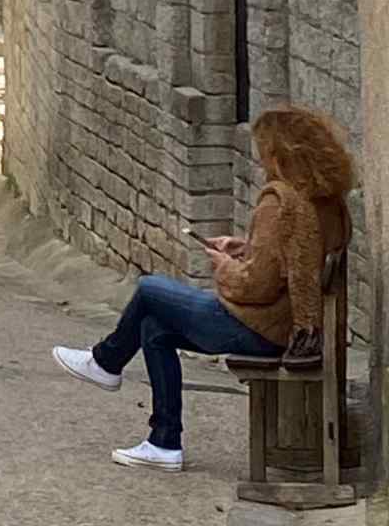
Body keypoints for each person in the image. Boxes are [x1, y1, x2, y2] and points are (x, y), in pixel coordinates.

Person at [51, 105, 355, 472]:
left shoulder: (281, 203)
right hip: (284, 324)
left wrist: (226, 268)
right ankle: (163, 443)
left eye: (263, 154)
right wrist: (243, 247)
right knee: (153, 329)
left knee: (150, 289)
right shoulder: (326, 201)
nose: (260, 163)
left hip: (260, 328)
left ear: (279, 154)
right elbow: (290, 258)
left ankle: (105, 361)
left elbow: (257, 286)